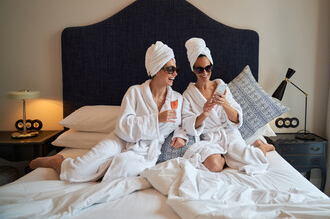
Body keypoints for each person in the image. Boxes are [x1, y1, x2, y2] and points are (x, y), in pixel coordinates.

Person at [30, 41, 188, 182]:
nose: (175, 73)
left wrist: (181, 136)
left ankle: (102, 171)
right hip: (119, 140)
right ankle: (56, 161)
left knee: (121, 170)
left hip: (146, 150)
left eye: (176, 69)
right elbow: (123, 127)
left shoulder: (177, 98)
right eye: (170, 69)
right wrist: (156, 119)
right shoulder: (134, 92)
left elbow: (181, 124)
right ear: (156, 69)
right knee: (77, 171)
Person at [181, 37, 274, 175]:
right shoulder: (188, 95)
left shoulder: (221, 86)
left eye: (208, 68)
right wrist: (204, 113)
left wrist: (224, 103)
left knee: (255, 160)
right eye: (200, 69)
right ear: (193, 70)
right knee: (214, 166)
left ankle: (262, 146)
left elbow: (237, 118)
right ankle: (226, 157)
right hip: (209, 138)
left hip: (229, 133)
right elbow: (187, 124)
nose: (205, 73)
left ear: (211, 66)